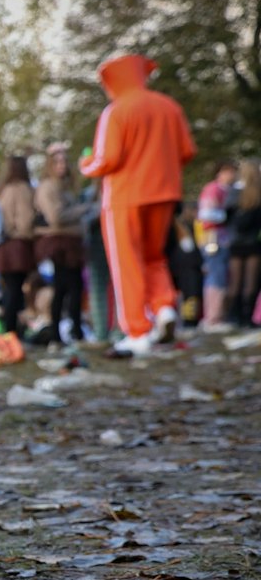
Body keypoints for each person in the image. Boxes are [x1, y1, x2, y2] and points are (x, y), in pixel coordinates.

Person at [81, 53, 197, 356]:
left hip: (125, 196)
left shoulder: (116, 111)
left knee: (126, 262)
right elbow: (187, 151)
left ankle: (137, 331)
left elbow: (107, 159)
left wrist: (86, 165)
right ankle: (164, 308)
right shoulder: (169, 106)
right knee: (154, 257)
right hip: (165, 192)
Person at [33, 143, 96, 345]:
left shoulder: (66, 186)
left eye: (64, 161)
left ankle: (70, 331)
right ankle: (63, 332)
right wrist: (83, 209)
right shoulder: (48, 187)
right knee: (65, 287)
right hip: (60, 243)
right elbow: (56, 217)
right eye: (57, 162)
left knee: (71, 287)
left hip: (72, 241)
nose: (62, 165)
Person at [0, 156, 38, 336]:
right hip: (17, 247)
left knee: (8, 288)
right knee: (15, 289)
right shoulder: (22, 189)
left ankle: (9, 329)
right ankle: (12, 331)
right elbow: (25, 221)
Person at [197, 161, 238, 330]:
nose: (230, 175)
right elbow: (205, 213)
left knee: (224, 276)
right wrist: (226, 215)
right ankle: (213, 317)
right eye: (227, 171)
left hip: (226, 240)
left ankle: (220, 315)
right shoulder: (213, 189)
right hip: (213, 239)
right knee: (215, 276)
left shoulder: (231, 190)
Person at [228, 162, 261, 327]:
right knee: (251, 282)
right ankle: (247, 317)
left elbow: (225, 217)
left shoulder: (234, 193)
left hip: (236, 243)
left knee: (235, 282)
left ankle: (235, 317)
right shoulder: (258, 193)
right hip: (253, 242)